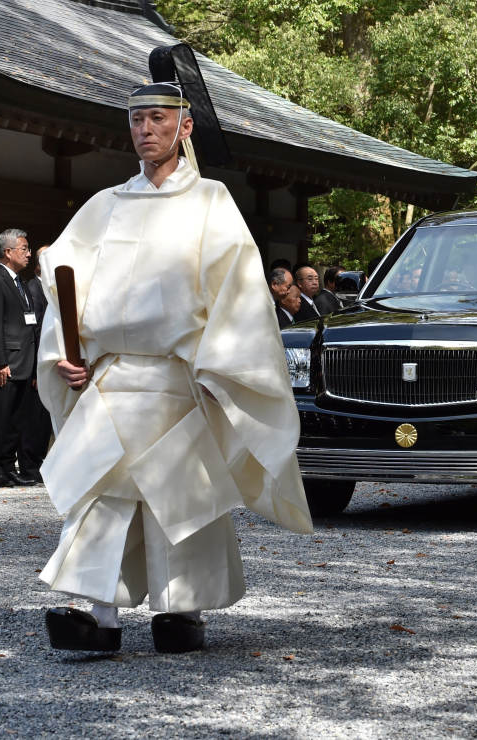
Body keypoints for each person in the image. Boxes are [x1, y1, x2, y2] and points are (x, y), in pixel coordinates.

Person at [36, 77, 312, 655]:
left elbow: (238, 292)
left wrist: (221, 367)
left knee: (178, 497)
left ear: (184, 127)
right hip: (112, 377)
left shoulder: (210, 201)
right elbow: (64, 279)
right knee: (100, 491)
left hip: (178, 376)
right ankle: (99, 614)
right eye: (137, 121)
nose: (145, 130)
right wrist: (67, 355)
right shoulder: (105, 205)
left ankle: (181, 611)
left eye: (158, 119)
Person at [0, 228, 38, 488]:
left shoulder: (21, 282)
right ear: (7, 252)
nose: (28, 254)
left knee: (16, 420)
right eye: (24, 249)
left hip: (25, 361)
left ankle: (8, 465)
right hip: (7, 362)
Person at [18, 244, 51, 483]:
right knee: (32, 419)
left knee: (45, 420)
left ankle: (39, 462)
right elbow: (36, 331)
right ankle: (29, 465)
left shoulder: (51, 290)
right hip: (36, 364)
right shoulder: (33, 288)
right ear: (39, 266)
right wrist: (38, 369)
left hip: (50, 366)